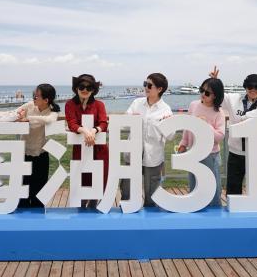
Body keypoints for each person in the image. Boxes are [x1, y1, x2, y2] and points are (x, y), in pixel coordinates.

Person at [0, 84, 60, 208]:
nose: (33, 98)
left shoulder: (53, 110)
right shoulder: (29, 105)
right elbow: (9, 114)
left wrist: (27, 118)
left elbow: (50, 120)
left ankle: (38, 217)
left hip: (41, 155)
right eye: (34, 95)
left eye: (36, 96)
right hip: (24, 154)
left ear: (46, 100)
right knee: (22, 192)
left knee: (39, 192)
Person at [210, 66, 257, 195]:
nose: (253, 90)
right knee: (233, 187)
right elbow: (218, 97)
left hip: (256, 152)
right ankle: (232, 207)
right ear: (245, 87)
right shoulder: (234, 99)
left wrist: (245, 116)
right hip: (236, 152)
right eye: (250, 86)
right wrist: (215, 82)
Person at [121, 73, 174, 207]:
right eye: (145, 84)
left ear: (160, 89)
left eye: (149, 85)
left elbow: (171, 136)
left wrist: (168, 124)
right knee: (127, 192)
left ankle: (149, 218)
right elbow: (123, 124)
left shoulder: (166, 109)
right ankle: (126, 215)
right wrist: (131, 118)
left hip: (153, 156)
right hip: (132, 154)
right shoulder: (137, 103)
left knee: (152, 196)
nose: (146, 87)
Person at [177, 78, 225, 207]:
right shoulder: (193, 105)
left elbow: (220, 136)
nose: (203, 94)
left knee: (213, 189)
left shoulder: (219, 112)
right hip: (193, 153)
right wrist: (183, 144)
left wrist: (205, 125)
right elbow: (187, 127)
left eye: (207, 93)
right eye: (202, 90)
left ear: (216, 95)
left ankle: (215, 214)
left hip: (211, 155)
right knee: (194, 187)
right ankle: (195, 211)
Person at [65, 74, 108, 208]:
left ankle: (94, 206)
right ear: (76, 88)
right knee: (81, 179)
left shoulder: (99, 104)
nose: (85, 90)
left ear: (93, 90)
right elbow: (72, 123)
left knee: (98, 179)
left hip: (98, 148)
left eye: (89, 88)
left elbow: (103, 123)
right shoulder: (70, 104)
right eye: (81, 86)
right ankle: (81, 208)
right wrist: (84, 131)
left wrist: (93, 131)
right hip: (81, 147)